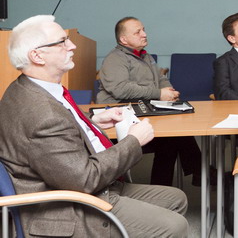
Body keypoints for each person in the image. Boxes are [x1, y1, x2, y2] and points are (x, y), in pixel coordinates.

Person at [0, 15, 188, 238]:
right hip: (68, 207)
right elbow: (85, 179)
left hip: (80, 186)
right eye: (62, 42)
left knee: (177, 199)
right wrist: (133, 141)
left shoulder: (28, 88)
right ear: (37, 56)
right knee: (175, 226)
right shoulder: (43, 114)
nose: (72, 46)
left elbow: (56, 134)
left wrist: (93, 121)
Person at [96, 17, 202, 186]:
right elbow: (121, 89)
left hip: (144, 111)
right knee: (172, 139)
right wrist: (159, 93)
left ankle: (195, 174)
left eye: (143, 30)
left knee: (175, 135)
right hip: (119, 120)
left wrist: (169, 91)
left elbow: (160, 78)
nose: (144, 34)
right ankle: (199, 173)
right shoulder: (115, 59)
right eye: (137, 32)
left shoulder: (145, 56)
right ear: (124, 39)